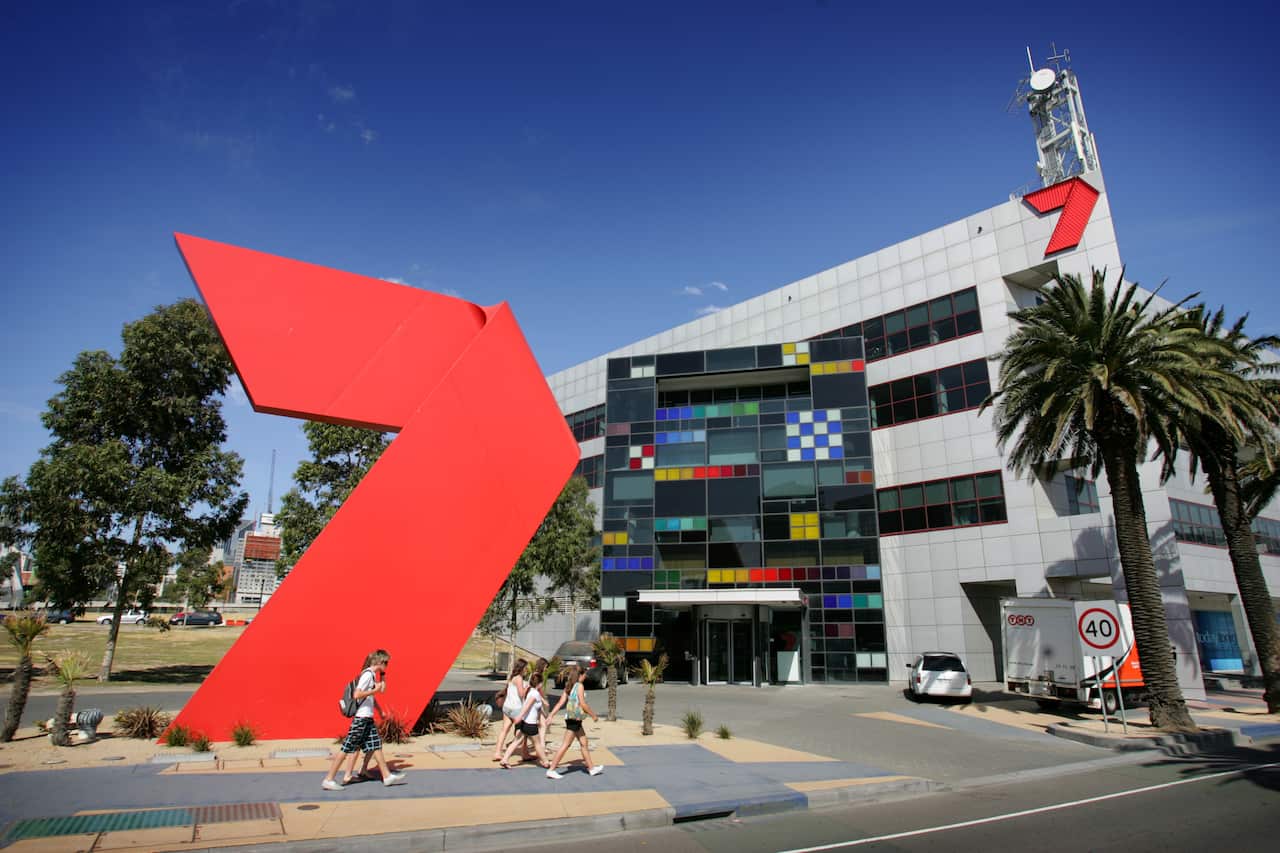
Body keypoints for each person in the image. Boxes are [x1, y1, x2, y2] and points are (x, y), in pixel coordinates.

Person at [321, 650, 407, 790]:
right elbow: (357, 694)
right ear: (379, 662)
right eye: (386, 663)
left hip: (367, 718)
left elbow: (377, 692)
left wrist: (382, 677)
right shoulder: (367, 675)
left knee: (376, 745)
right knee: (346, 748)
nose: (387, 665)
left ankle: (386, 776)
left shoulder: (372, 675)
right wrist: (374, 690)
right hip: (361, 719)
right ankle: (329, 779)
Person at [545, 664, 603, 779]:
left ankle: (591, 768)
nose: (586, 676)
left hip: (571, 718)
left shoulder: (569, 686)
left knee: (583, 742)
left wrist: (551, 715)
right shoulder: (579, 686)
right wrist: (593, 715)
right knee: (566, 745)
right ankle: (551, 769)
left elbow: (561, 702)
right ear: (580, 675)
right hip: (574, 719)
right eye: (584, 674)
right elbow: (582, 703)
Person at [499, 672, 550, 769]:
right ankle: (546, 762)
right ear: (539, 684)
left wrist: (544, 713)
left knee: (516, 741)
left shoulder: (529, 691)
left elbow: (537, 707)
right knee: (537, 744)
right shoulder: (534, 694)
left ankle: (504, 759)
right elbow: (527, 706)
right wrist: (519, 717)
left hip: (524, 722)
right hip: (530, 724)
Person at [491, 658, 530, 762]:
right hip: (516, 709)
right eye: (526, 668)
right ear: (522, 668)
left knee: (504, 730)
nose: (527, 670)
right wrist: (527, 688)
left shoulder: (512, 677)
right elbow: (521, 694)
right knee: (522, 733)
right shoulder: (519, 678)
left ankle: (497, 752)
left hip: (507, 707)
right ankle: (524, 753)